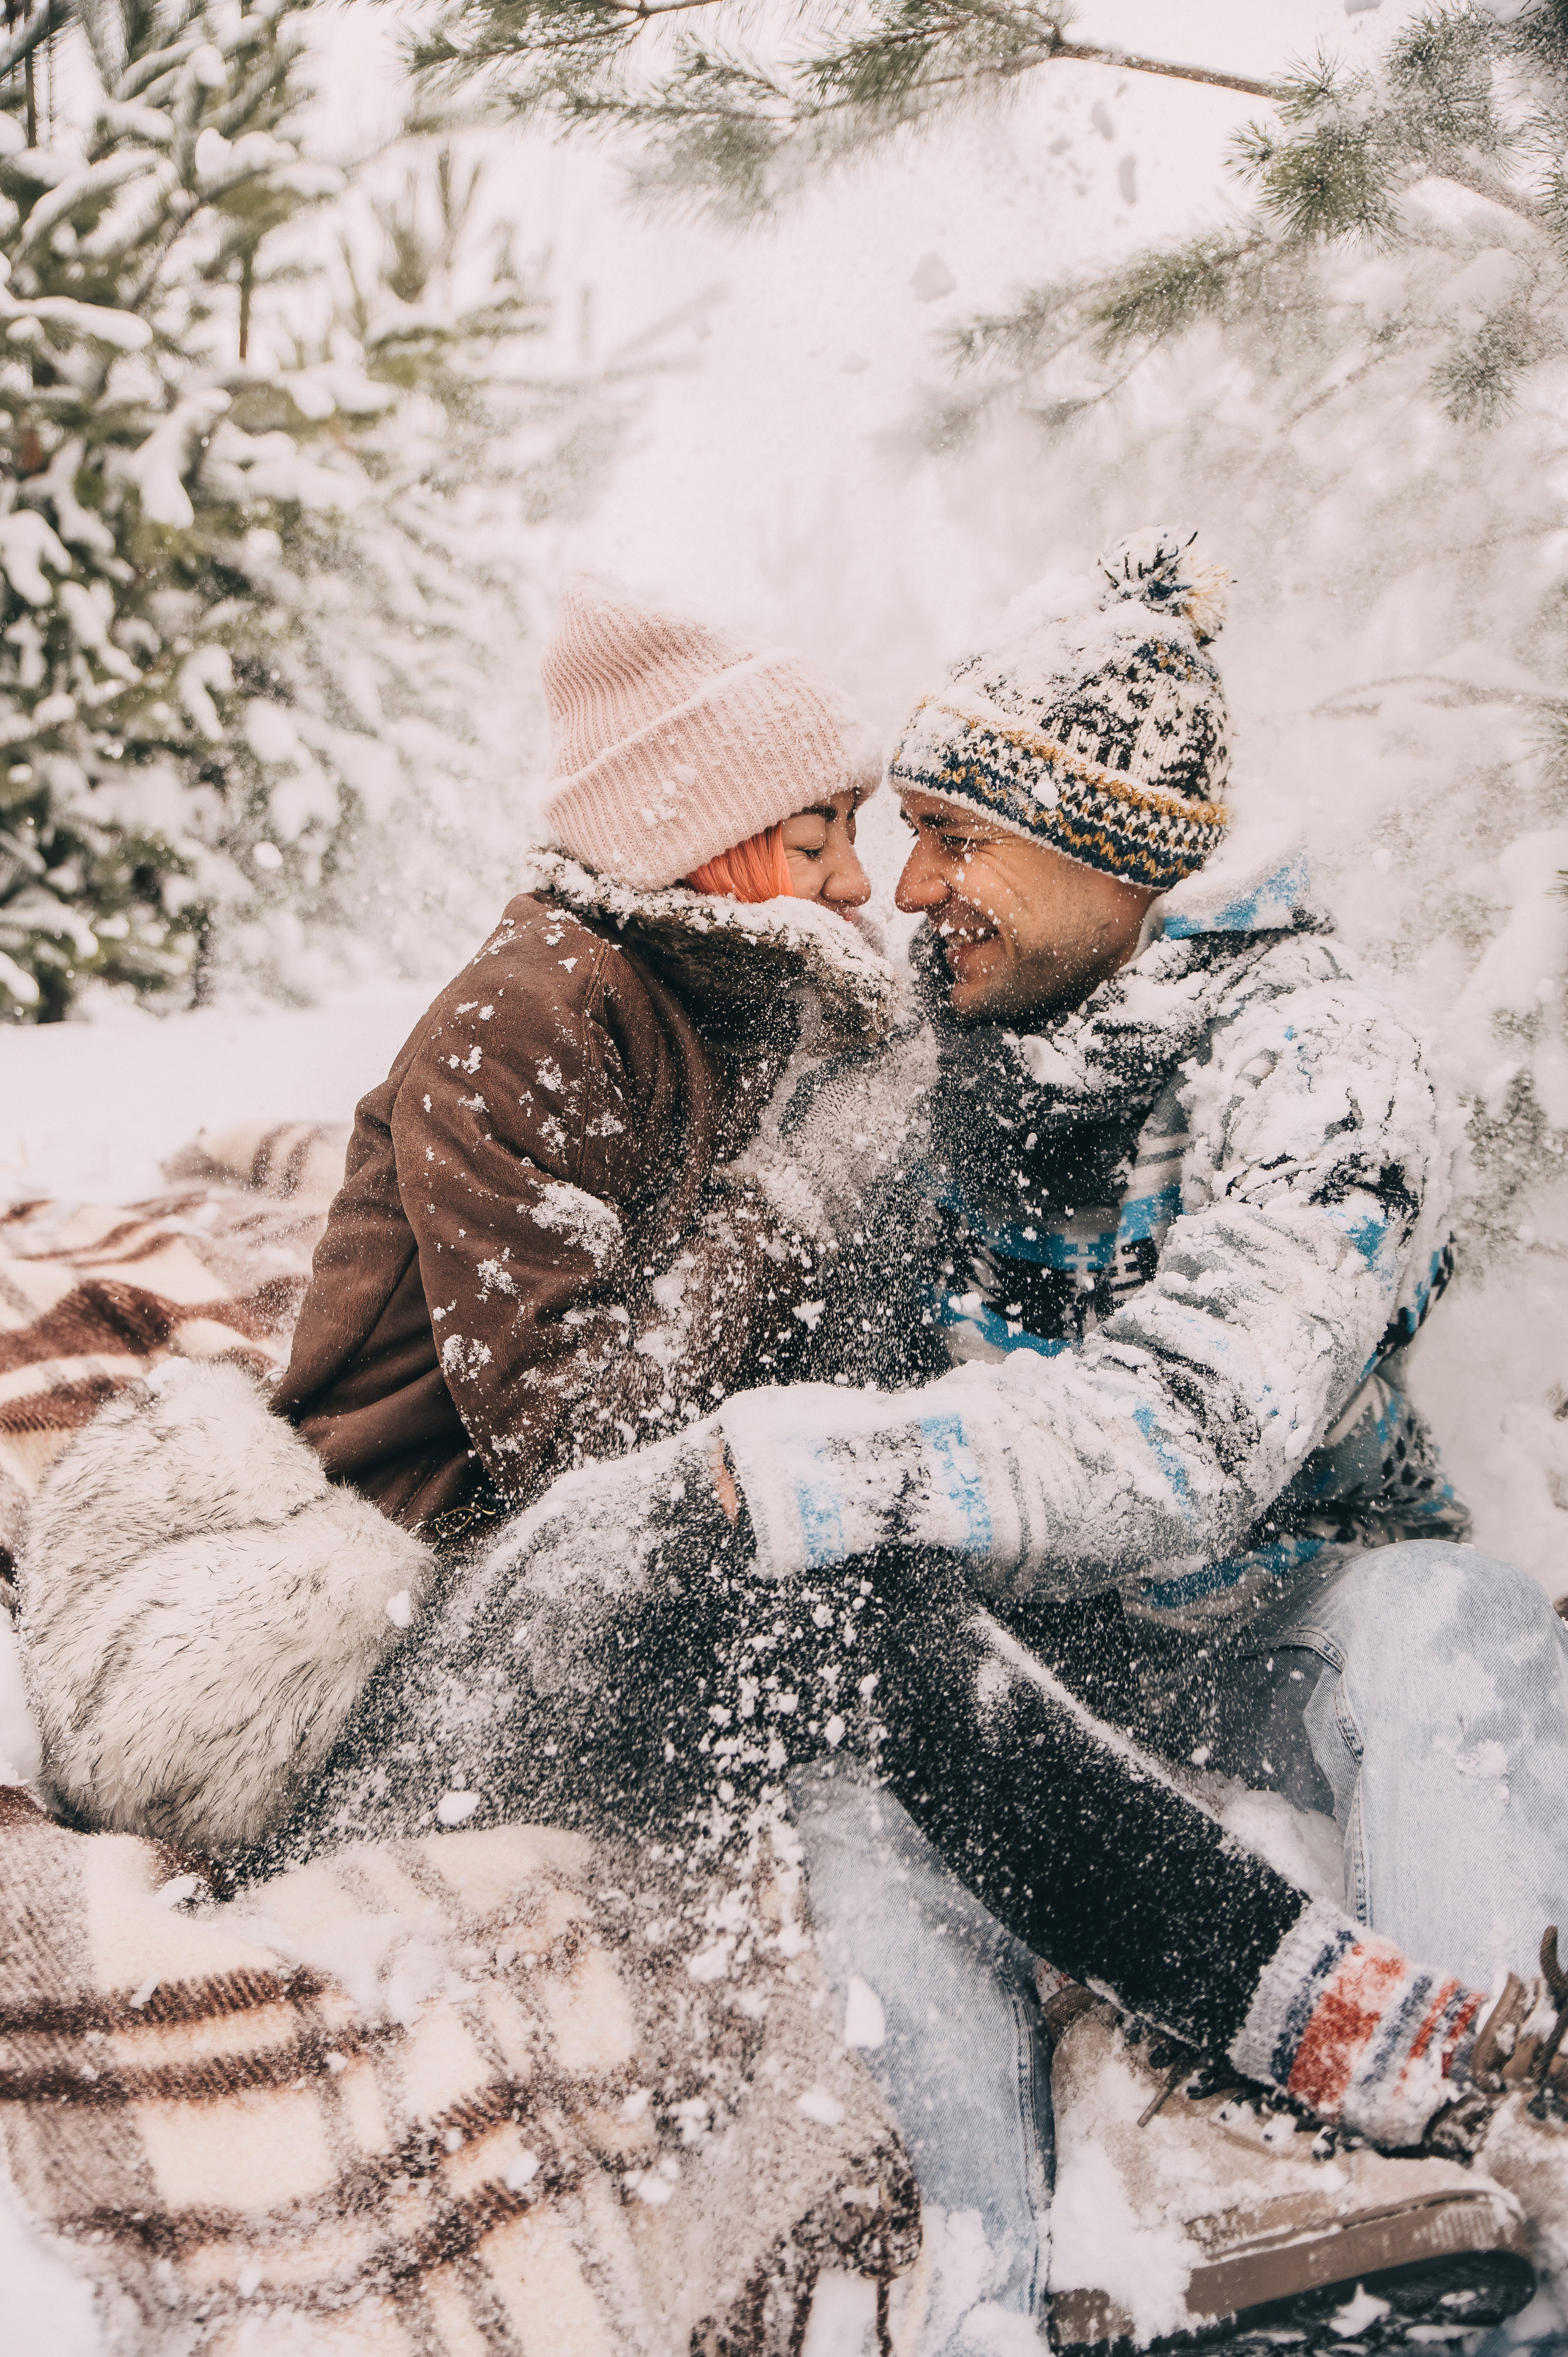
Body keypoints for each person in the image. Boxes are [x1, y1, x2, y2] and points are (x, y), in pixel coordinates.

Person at [23, 539, 1568, 2350]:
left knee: (1336, 1628)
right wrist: (797, 1298)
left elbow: (1170, 1416)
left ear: (1111, 854)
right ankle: (1127, 2159)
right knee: (844, 1671)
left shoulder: (1257, 1062)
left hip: (1109, 1598)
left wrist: (836, 1430)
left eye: (941, 836)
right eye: (850, 832)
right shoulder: (667, 1022)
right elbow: (592, 1395)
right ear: (712, 836)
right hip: (465, 1632)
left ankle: (1383, 2184)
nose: (897, 887)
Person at [17, 577, 894, 1852]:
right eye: (814, 843)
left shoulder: (730, 990)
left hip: (560, 1534)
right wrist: (791, 1201)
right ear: (700, 842)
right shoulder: (532, 1019)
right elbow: (580, 1447)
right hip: (411, 1549)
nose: (856, 884)